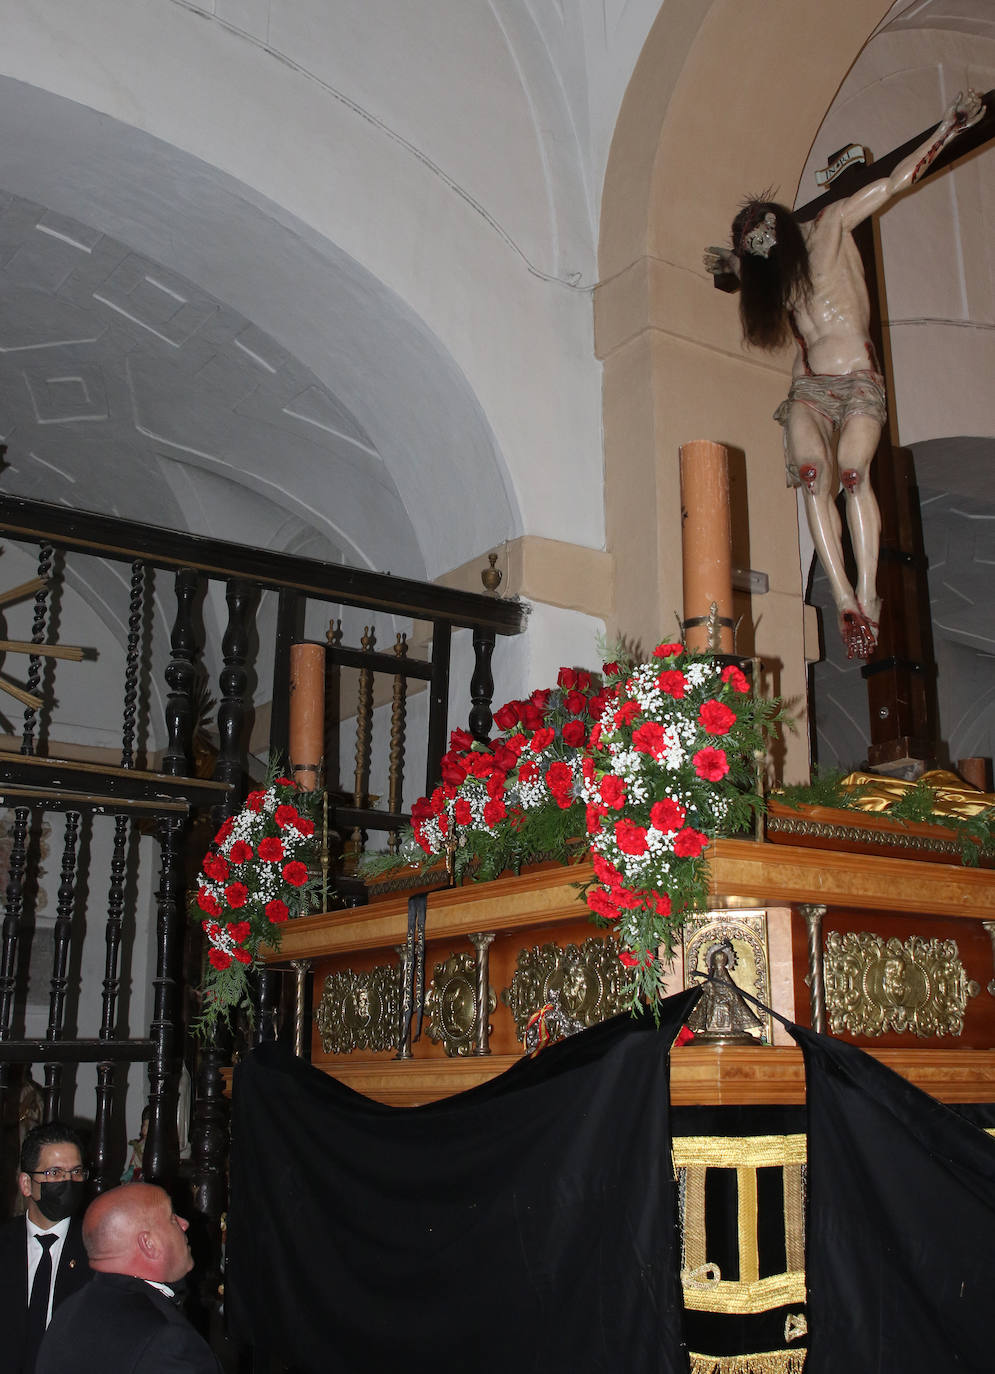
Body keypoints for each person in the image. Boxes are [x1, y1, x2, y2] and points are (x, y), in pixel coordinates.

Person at [705, 90, 985, 659]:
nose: (764, 254)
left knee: (854, 475)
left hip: (857, 379)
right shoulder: (774, 275)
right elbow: (744, 270)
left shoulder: (830, 225)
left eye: (764, 242)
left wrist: (947, 130)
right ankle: (843, 598)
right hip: (808, 388)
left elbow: (893, 182)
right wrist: (733, 262)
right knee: (814, 477)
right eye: (756, 251)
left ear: (781, 227)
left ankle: (869, 592)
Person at [36, 1182, 220, 1374]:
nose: (184, 1223)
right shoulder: (164, 1340)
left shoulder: (66, 1314)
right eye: (172, 1218)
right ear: (148, 1244)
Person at [0, 1120, 92, 1374]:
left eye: (76, 1172)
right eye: (55, 1173)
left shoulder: (97, 1249)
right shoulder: (5, 1244)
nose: (68, 1181)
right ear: (26, 1184)